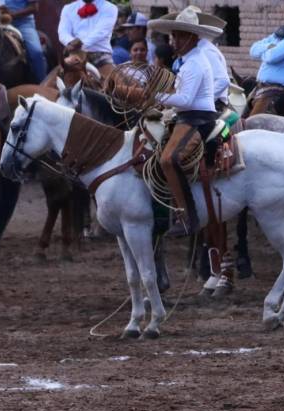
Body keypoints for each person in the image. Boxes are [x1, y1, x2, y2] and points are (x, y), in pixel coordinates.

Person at [122, 8, 222, 237]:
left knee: (168, 159)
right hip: (187, 115)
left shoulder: (195, 63)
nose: (174, 40)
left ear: (192, 38)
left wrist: (154, 96)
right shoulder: (189, 61)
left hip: (197, 119)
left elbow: (185, 99)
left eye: (178, 36)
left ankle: (187, 215)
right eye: (173, 35)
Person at [57, 0, 119, 78]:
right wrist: (70, 42)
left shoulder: (110, 7)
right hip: (74, 55)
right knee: (56, 82)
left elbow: (101, 31)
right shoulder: (68, 8)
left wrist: (81, 43)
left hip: (99, 56)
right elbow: (63, 31)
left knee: (111, 85)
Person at [0, 0, 48, 82]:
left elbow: (34, 7)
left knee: (36, 52)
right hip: (0, 24)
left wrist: (12, 15)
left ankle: (43, 84)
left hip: (23, 24)